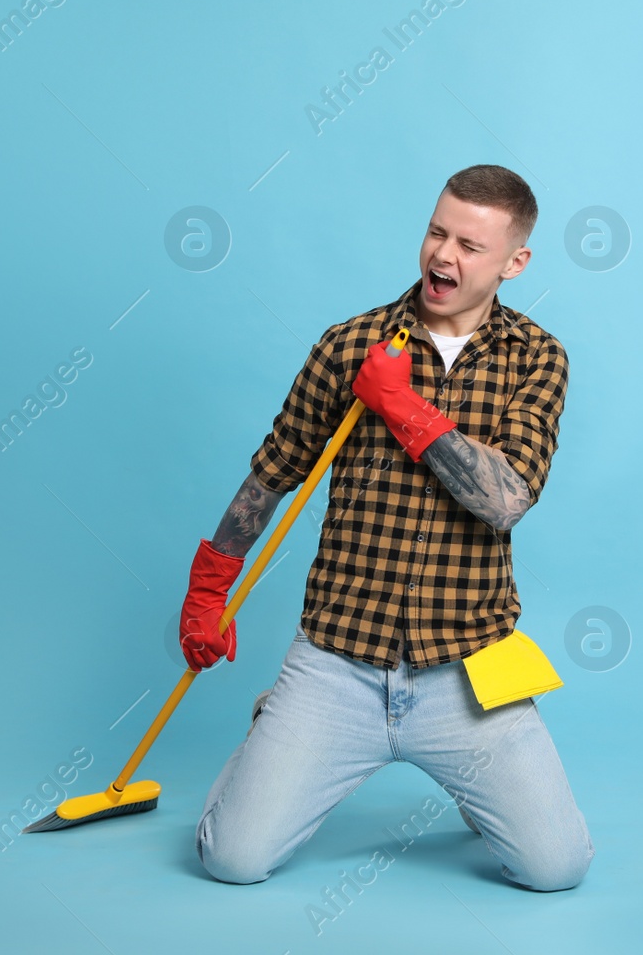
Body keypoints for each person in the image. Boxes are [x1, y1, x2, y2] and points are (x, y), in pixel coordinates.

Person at [185, 164, 593, 892]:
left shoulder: (538, 359)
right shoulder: (350, 345)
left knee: (556, 868)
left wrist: (405, 410)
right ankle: (275, 723)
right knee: (232, 860)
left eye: (471, 244)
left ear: (514, 262)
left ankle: (480, 779)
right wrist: (210, 585)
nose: (443, 256)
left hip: (468, 668)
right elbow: (272, 474)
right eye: (438, 232)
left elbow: (506, 499)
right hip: (340, 661)